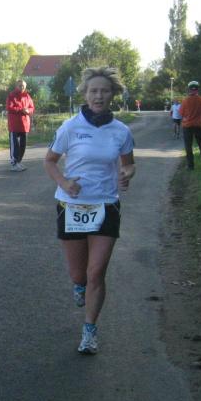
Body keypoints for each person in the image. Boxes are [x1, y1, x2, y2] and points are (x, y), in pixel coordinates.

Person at [43, 66, 136, 354]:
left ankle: (89, 331)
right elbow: (49, 161)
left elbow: (129, 163)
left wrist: (127, 174)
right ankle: (79, 285)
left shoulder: (121, 131)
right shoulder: (70, 127)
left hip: (106, 205)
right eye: (94, 91)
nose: (99, 96)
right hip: (71, 206)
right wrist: (64, 182)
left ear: (112, 95)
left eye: (104, 91)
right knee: (79, 274)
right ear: (85, 93)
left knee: (96, 272)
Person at [6, 79, 35, 171]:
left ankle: (18, 162)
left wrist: (28, 111)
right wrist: (21, 109)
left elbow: (32, 107)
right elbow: (9, 107)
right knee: (15, 145)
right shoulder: (12, 95)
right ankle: (14, 163)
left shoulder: (27, 96)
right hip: (14, 125)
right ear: (16, 86)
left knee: (23, 145)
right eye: (20, 85)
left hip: (25, 124)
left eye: (23, 86)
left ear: (25, 86)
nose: (22, 87)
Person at [180, 80, 201, 170]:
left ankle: (190, 166)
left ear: (189, 89)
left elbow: (181, 113)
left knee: (188, 146)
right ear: (198, 89)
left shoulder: (185, 100)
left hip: (187, 126)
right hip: (198, 125)